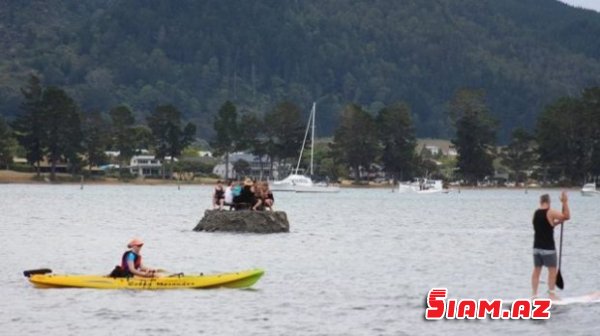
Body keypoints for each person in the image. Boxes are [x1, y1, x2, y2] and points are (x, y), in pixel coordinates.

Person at [531, 192, 570, 300]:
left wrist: (557, 223)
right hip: (548, 248)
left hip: (536, 248)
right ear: (548, 202)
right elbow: (567, 216)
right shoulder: (550, 211)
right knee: (552, 270)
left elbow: (546, 226)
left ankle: (534, 295)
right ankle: (551, 294)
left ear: (540, 202)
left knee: (536, 270)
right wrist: (565, 202)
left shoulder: (536, 213)